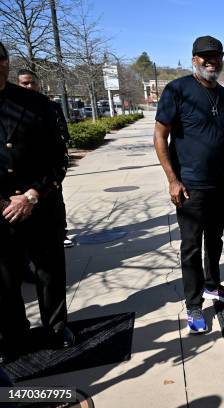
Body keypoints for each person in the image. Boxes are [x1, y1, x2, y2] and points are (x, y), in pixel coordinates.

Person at [154, 35, 224, 333]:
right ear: (194, 59)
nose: (211, 61)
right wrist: (173, 180)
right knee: (191, 247)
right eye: (205, 56)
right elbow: (160, 136)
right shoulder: (177, 90)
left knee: (215, 241)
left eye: (216, 56)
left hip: (219, 183)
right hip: (189, 186)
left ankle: (213, 286)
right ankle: (193, 305)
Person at [0, 41, 74, 364]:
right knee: (5, 278)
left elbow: (58, 158)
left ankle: (56, 327)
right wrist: (5, 202)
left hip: (40, 203)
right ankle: (15, 337)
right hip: (1, 211)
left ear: (4, 63)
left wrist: (31, 195)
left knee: (49, 272)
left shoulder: (37, 104)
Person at [16, 69, 73, 249]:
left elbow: (62, 130)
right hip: (21, 171)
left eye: (32, 82)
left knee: (55, 200)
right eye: (25, 83)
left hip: (47, 169)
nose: (30, 86)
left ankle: (61, 232)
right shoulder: (12, 107)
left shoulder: (50, 106)